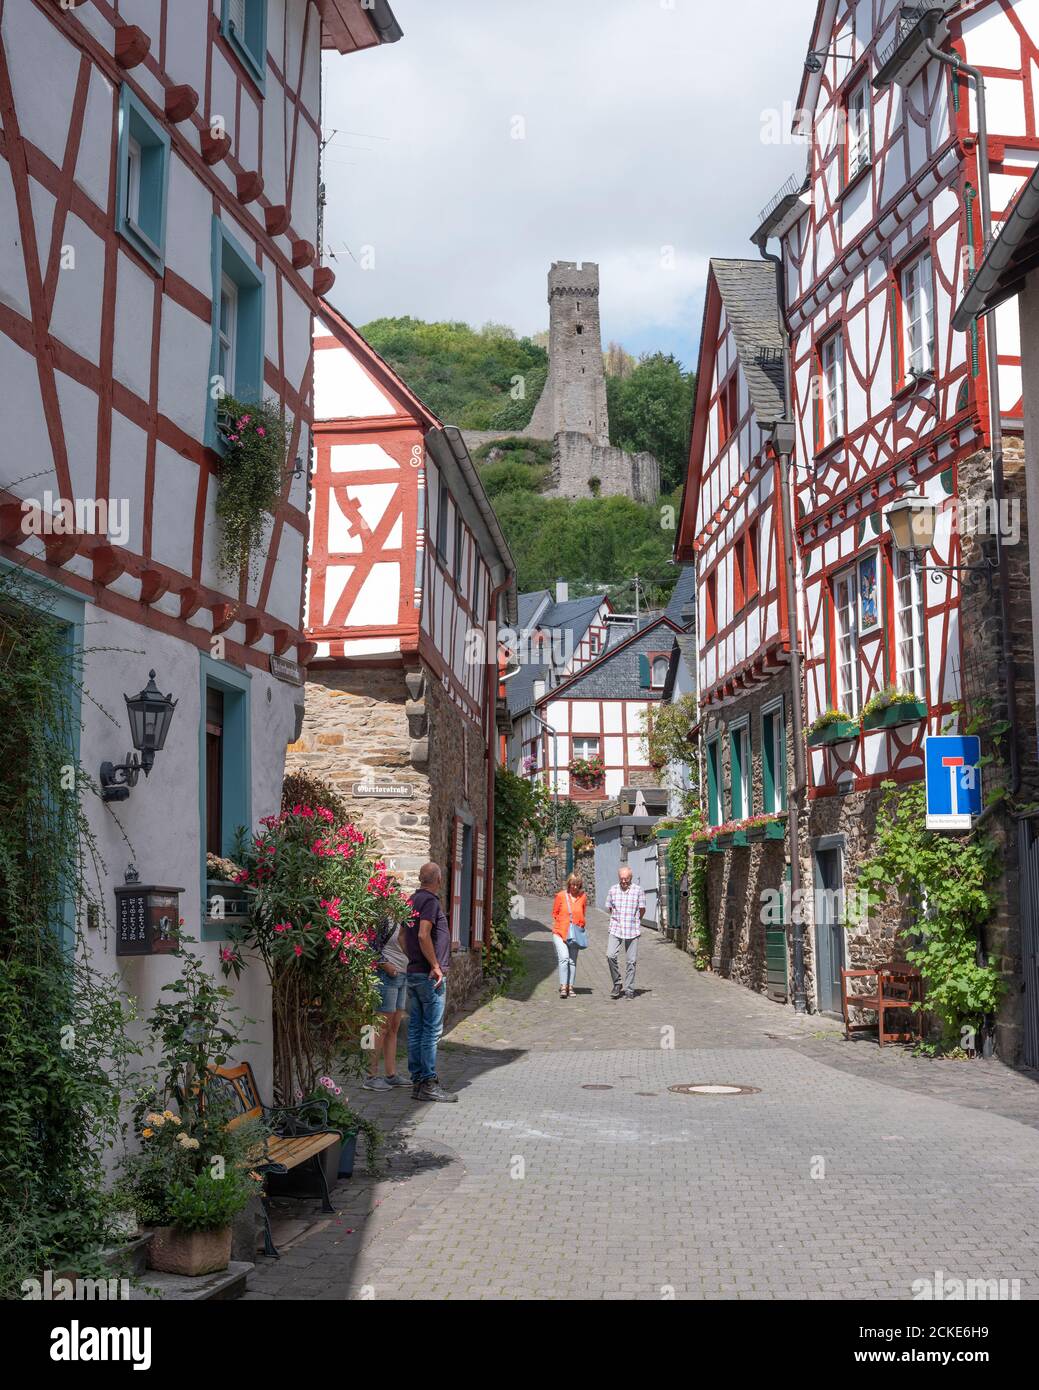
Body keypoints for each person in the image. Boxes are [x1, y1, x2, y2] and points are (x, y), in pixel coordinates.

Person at [400, 862, 457, 1102]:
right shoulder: (431, 902)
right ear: (438, 880)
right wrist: (434, 965)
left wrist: (412, 958)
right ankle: (428, 1082)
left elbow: (403, 937)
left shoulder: (411, 900)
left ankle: (417, 1082)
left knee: (416, 1029)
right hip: (428, 976)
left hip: (414, 972)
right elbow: (423, 934)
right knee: (431, 1031)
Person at [362, 905, 411, 1091]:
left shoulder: (402, 919)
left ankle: (391, 1074)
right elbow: (369, 944)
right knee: (378, 1025)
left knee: (394, 1026)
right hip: (386, 975)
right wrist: (384, 965)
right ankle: (369, 1075)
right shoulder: (381, 918)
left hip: (402, 974)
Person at [605, 866, 646, 1000]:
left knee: (631, 961)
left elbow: (642, 909)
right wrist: (617, 919)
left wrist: (636, 921)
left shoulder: (638, 891)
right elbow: (610, 908)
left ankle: (629, 989)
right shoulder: (613, 890)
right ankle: (617, 983)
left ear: (631, 878)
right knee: (610, 955)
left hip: (632, 928)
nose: (623, 881)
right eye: (621, 879)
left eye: (626, 879)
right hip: (616, 928)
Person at [551, 873, 587, 998]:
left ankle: (570, 987)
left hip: (575, 934)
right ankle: (563, 986)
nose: (575, 887)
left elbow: (583, 913)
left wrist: (580, 925)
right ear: (569, 884)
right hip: (560, 933)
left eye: (577, 885)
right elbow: (555, 913)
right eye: (573, 884)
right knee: (564, 958)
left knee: (572, 961)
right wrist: (563, 923)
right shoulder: (561, 896)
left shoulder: (583, 897)